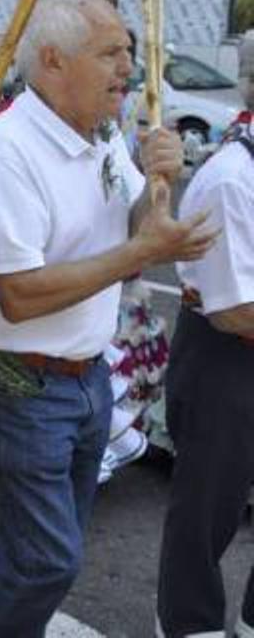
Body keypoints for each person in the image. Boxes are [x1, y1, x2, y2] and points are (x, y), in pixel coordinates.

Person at [0, 0, 217, 637]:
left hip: (85, 371)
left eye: (129, 50)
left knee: (41, 555)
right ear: (52, 61)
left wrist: (159, 188)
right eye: (109, 52)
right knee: (46, 559)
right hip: (17, 377)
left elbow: (131, 225)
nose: (129, 66)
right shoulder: (9, 149)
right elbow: (19, 293)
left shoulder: (98, 135)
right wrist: (142, 251)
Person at [155, 37, 254, 638]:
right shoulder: (231, 178)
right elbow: (235, 310)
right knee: (207, 508)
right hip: (226, 354)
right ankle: (187, 624)